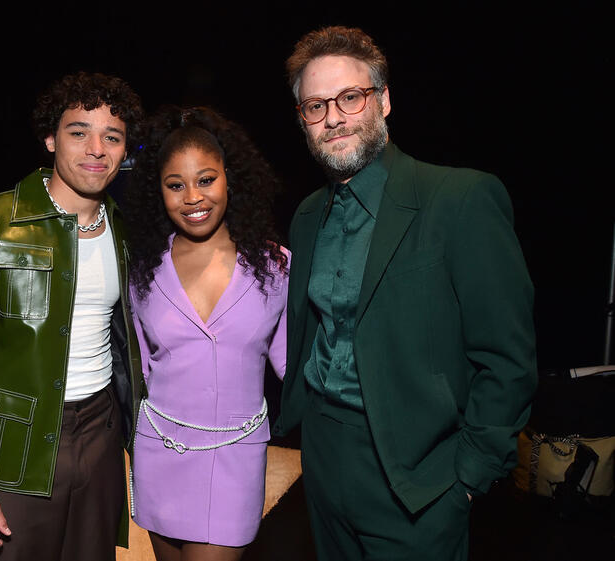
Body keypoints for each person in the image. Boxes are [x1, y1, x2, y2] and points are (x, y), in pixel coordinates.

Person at [273, 26, 537, 560]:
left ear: (384, 100)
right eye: (315, 106)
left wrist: (467, 478)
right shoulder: (305, 217)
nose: (334, 118)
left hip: (421, 475)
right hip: (322, 457)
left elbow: (508, 360)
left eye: (350, 97)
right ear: (302, 118)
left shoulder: (458, 199)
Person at [0, 72, 146, 561]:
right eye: (78, 131)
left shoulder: (123, 231)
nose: (96, 148)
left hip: (101, 437)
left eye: (112, 136)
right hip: (13, 449)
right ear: (49, 138)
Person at [126, 106, 289, 561]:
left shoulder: (275, 267)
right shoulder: (143, 271)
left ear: (230, 179)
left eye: (206, 179)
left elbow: (295, 366)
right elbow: (140, 370)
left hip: (234, 458)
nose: (192, 197)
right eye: (175, 185)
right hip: (160, 452)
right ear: (158, 192)